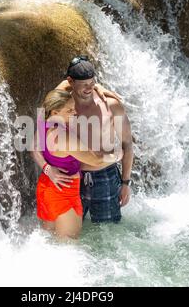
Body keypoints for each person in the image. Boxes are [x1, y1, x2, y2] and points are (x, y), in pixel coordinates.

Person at [32, 55, 134, 224]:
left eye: (93, 83)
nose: (90, 88)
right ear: (71, 82)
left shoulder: (110, 104)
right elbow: (36, 144)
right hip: (69, 178)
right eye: (84, 84)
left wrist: (125, 183)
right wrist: (48, 169)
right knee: (74, 236)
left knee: (107, 233)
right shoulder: (61, 106)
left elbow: (127, 145)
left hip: (104, 177)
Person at [35, 89, 121, 239]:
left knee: (49, 242)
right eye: (69, 110)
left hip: (47, 187)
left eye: (73, 107)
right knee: (68, 249)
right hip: (64, 192)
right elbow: (96, 160)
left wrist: (47, 168)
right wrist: (118, 155)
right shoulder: (64, 138)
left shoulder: (44, 122)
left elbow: (34, 148)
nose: (74, 112)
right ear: (55, 112)